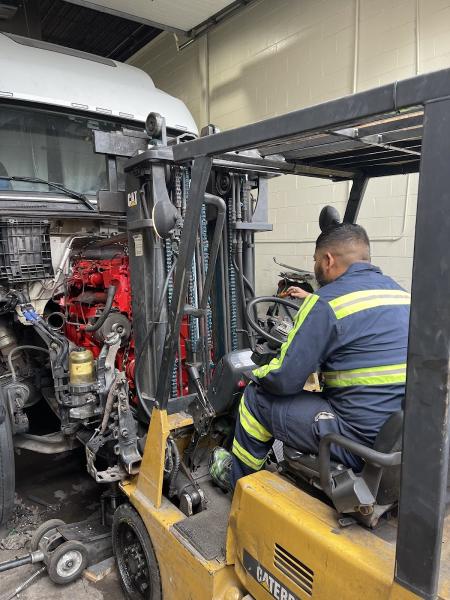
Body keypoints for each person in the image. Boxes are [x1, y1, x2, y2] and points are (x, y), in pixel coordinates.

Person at [209, 222, 410, 491]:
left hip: (357, 440)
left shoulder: (327, 302)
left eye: (315, 260)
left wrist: (256, 374)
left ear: (328, 260)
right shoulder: (402, 295)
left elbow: (284, 380)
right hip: (399, 437)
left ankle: (238, 480)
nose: (315, 266)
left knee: (255, 399)